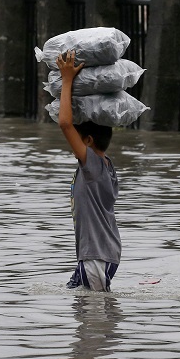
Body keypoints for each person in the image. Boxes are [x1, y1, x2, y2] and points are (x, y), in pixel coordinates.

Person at [57, 50, 121, 292]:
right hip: (99, 255)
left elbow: (64, 123)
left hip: (97, 257)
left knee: (93, 324)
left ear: (89, 140)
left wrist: (66, 80)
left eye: (78, 137)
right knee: (84, 306)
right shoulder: (104, 165)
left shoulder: (93, 165)